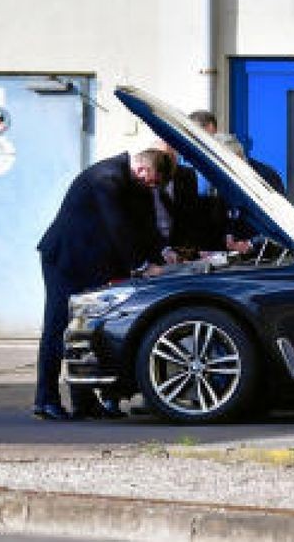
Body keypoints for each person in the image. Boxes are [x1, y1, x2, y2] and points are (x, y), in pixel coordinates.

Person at [34, 148, 174, 421]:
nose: (153, 187)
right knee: (58, 326)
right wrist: (143, 266)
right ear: (142, 170)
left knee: (88, 331)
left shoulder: (137, 184)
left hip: (93, 262)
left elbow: (145, 227)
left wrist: (162, 256)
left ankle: (84, 402)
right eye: (153, 181)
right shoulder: (105, 178)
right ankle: (45, 399)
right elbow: (118, 226)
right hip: (66, 260)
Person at [212, 132, 287, 253]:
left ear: (237, 156)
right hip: (232, 255)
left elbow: (280, 223)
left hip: (264, 256)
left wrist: (251, 244)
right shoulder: (224, 177)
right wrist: (228, 235)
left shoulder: (266, 177)